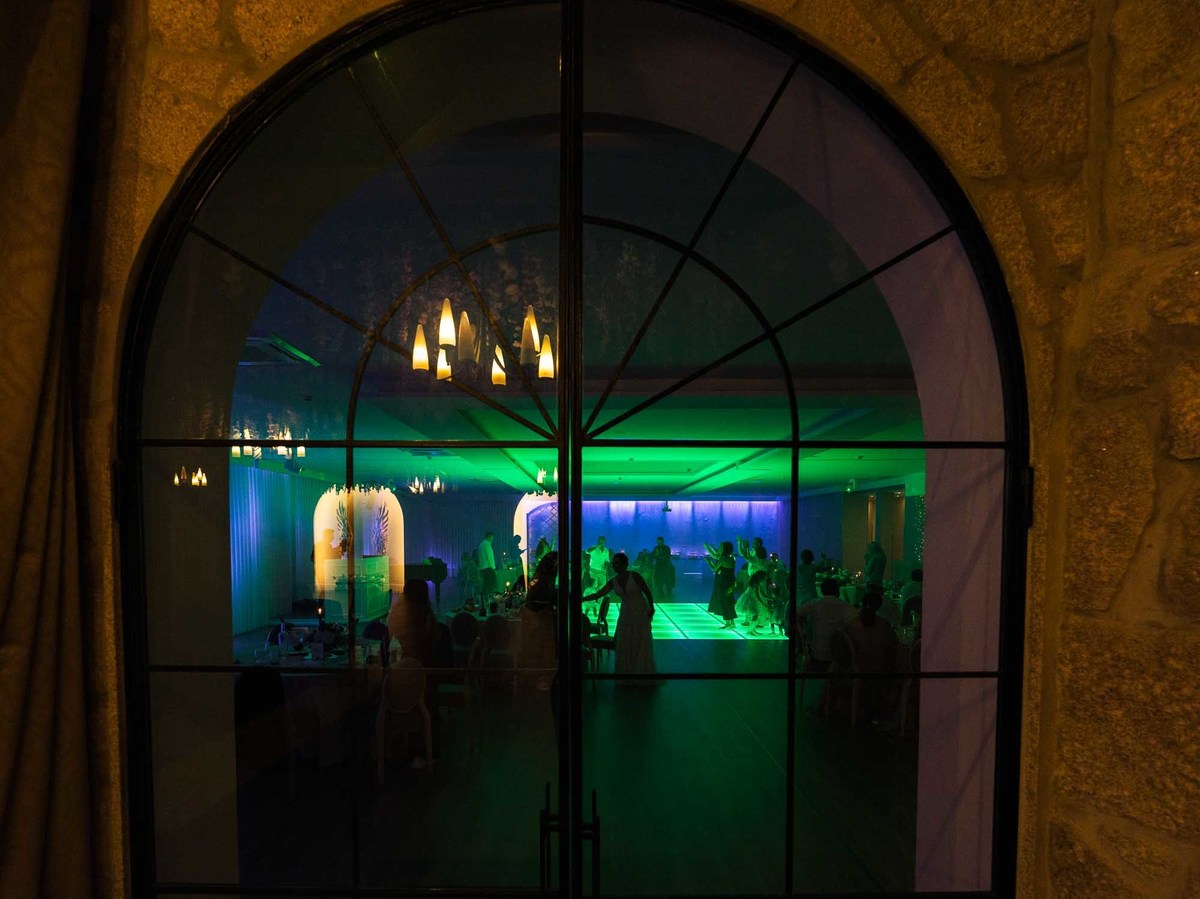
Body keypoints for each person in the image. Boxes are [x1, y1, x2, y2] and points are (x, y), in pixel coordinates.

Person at [587, 552, 656, 679]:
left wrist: (652, 607)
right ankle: (628, 673)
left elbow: (647, 591)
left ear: (625, 564)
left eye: (617, 563)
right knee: (626, 641)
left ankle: (641, 673)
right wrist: (581, 599)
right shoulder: (613, 581)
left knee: (640, 641)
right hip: (625, 613)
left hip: (640, 611)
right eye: (613, 563)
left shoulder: (634, 576)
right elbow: (598, 594)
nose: (614, 565)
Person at [843, 591, 899, 722]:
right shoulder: (884, 626)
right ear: (879, 607)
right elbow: (893, 645)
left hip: (852, 670)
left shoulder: (849, 624)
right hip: (877, 671)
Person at [795, 577, 855, 671]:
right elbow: (855, 621)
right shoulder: (845, 606)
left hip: (818, 655)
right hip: (838, 657)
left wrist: (804, 628)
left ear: (822, 591)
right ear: (837, 591)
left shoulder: (815, 603)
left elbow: (797, 613)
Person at [520, 551, 559, 691]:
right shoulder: (544, 580)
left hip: (538, 617)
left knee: (541, 648)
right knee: (544, 649)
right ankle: (542, 679)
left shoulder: (539, 578)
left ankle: (540, 678)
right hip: (541, 617)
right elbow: (536, 599)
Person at [386, 579, 438, 666]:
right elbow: (434, 639)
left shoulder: (396, 613)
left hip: (401, 663)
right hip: (424, 663)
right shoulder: (425, 616)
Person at [705, 540, 737, 628]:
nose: (719, 549)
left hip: (723, 583)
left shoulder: (723, 559)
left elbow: (714, 569)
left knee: (724, 602)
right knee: (729, 602)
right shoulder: (731, 558)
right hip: (729, 583)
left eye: (720, 547)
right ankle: (730, 622)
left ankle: (730, 623)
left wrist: (709, 562)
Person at [477, 531, 497, 602]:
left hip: (482, 567)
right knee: (492, 583)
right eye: (492, 537)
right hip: (488, 568)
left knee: (486, 583)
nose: (493, 539)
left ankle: (483, 598)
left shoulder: (481, 544)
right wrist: (493, 568)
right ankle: (487, 597)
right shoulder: (487, 545)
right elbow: (489, 557)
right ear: (489, 537)